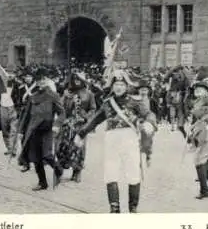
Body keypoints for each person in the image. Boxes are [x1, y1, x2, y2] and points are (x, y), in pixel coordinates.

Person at [74, 69, 157, 213]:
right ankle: (114, 207)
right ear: (112, 86)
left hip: (129, 139)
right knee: (110, 172)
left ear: (127, 86)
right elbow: (94, 120)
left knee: (133, 173)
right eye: (116, 84)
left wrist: (149, 123)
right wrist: (81, 133)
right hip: (111, 140)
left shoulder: (135, 101)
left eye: (121, 84)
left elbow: (149, 114)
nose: (118, 87)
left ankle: (133, 208)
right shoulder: (107, 103)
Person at [16, 68, 65, 191]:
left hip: (47, 129)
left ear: (47, 80)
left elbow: (62, 113)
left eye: (43, 79)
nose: (41, 82)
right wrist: (21, 131)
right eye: (39, 80)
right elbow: (26, 115)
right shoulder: (33, 97)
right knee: (36, 158)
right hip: (33, 130)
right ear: (36, 82)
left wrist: (57, 124)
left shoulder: (54, 95)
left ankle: (58, 169)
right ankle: (42, 183)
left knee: (47, 155)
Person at [58, 72, 96, 182]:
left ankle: (77, 171)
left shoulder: (89, 94)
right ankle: (61, 168)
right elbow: (60, 107)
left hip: (81, 125)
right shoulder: (68, 92)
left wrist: (87, 118)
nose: (77, 81)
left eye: (79, 79)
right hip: (68, 124)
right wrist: (65, 97)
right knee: (64, 145)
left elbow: (93, 109)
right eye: (75, 79)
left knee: (79, 148)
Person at [135, 79, 158, 167]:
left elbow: (156, 111)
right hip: (138, 121)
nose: (143, 91)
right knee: (137, 140)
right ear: (138, 90)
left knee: (147, 140)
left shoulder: (152, 101)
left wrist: (154, 121)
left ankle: (148, 155)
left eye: (145, 90)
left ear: (148, 91)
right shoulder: (135, 100)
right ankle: (138, 158)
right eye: (141, 90)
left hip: (150, 122)